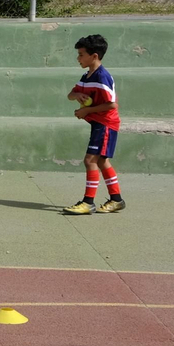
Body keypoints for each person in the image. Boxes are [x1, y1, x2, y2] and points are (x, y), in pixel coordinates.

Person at [64, 34, 126, 215]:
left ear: (95, 56)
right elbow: (71, 94)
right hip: (99, 123)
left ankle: (88, 203)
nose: (78, 58)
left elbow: (112, 104)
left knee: (90, 160)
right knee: (101, 161)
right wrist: (77, 96)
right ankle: (117, 200)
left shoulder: (102, 77)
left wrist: (86, 111)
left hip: (106, 124)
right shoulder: (87, 75)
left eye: (81, 54)